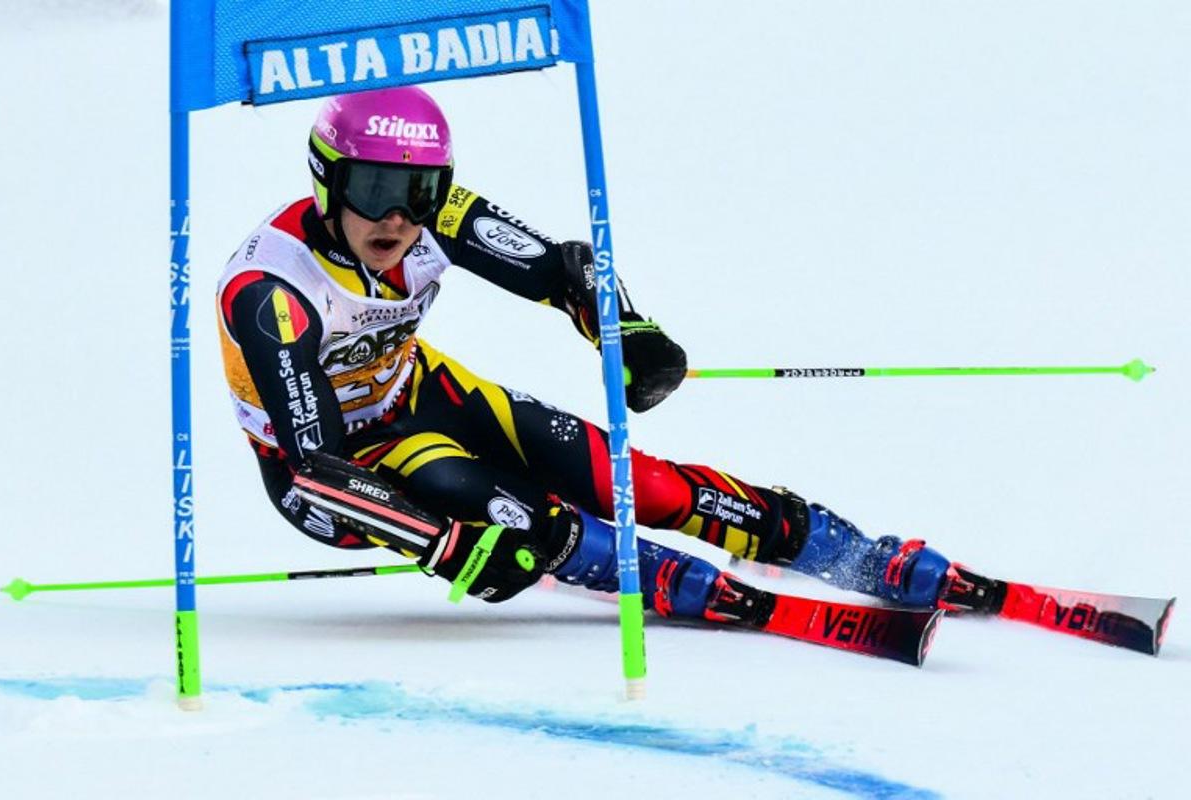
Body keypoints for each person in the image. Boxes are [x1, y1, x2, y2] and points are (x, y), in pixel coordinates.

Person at [216, 86, 1006, 623]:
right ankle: (635, 568)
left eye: (419, 192)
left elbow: (565, 268)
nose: (399, 219)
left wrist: (627, 331)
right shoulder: (271, 292)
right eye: (376, 190)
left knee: (634, 482)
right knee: (508, 513)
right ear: (327, 183)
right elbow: (316, 465)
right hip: (330, 471)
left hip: (416, 389)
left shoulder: (436, 219)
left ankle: (833, 546)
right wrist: (442, 545)